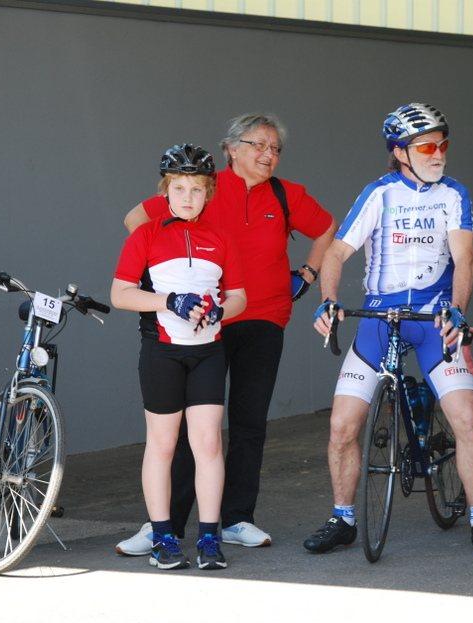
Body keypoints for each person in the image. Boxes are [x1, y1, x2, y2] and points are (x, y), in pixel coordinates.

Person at [116, 115, 336, 556]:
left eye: (275, 148)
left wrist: (309, 273)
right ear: (232, 148)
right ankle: (167, 525)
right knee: (188, 430)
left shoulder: (286, 194)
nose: (268, 154)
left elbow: (328, 228)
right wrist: (167, 274)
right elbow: (136, 220)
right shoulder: (201, 186)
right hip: (198, 328)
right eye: (259, 145)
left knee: (249, 421)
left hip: (264, 316)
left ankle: (236, 519)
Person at [303, 102, 473, 554]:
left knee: (466, 419)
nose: (439, 154)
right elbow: (335, 253)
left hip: (434, 318)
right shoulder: (379, 194)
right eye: (427, 147)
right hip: (380, 318)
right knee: (342, 425)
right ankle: (342, 517)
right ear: (399, 152)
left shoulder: (454, 194)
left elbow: (465, 258)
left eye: (443, 145)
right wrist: (328, 300)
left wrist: (457, 309)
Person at [111, 144, 248, 570]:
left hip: (208, 351)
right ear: (165, 191)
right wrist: (170, 300)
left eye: (197, 189)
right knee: (163, 444)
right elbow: (120, 295)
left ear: (209, 193)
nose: (188, 197)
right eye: (179, 188)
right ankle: (163, 536)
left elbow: (239, 296)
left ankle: (208, 537)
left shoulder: (221, 238)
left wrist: (220, 310)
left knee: (208, 443)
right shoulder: (145, 235)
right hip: (162, 352)